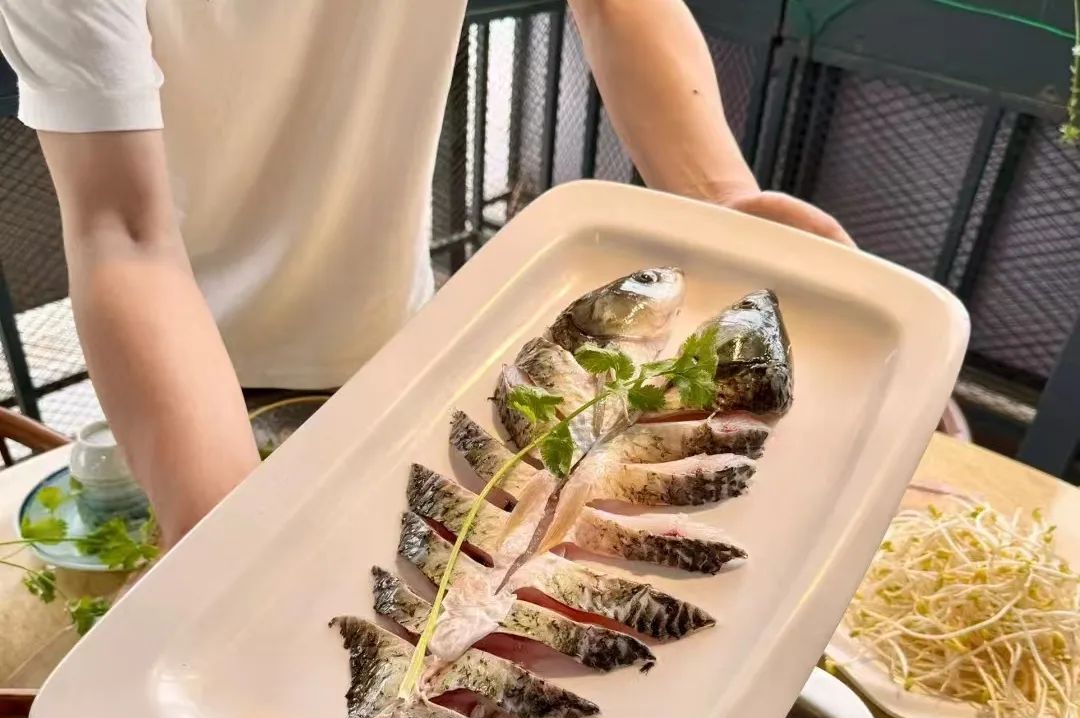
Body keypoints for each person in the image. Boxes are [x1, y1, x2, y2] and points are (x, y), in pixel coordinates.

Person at [0, 1, 850, 547]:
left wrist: (720, 202)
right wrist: (231, 555)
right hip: (189, 373)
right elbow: (122, 232)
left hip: (398, 339)